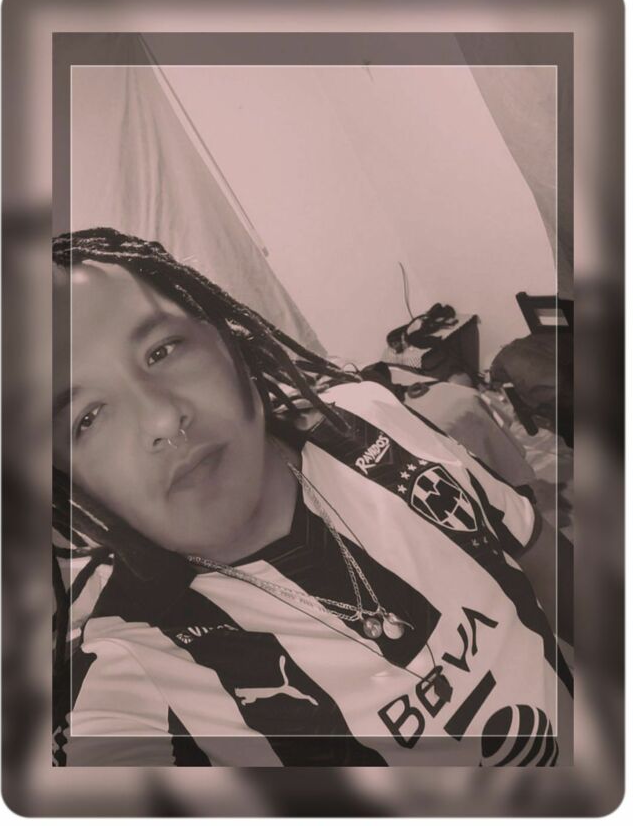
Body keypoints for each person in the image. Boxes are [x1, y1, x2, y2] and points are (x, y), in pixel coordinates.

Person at [52, 228, 572, 767]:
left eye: (161, 351)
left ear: (225, 337)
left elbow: (543, 562)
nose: (162, 418)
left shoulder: (370, 418)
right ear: (69, 481)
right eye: (87, 418)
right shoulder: (135, 671)